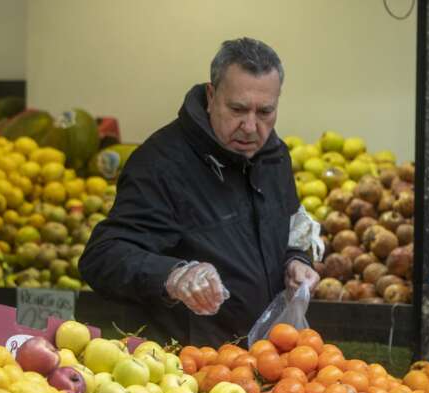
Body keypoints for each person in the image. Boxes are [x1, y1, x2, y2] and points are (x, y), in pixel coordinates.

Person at [80, 38, 319, 346]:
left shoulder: (274, 156)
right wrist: (173, 276)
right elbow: (102, 257)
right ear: (211, 96)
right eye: (238, 109)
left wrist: (297, 259)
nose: (250, 126)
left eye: (265, 112)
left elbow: (289, 227)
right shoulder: (161, 164)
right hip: (188, 369)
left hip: (264, 360)